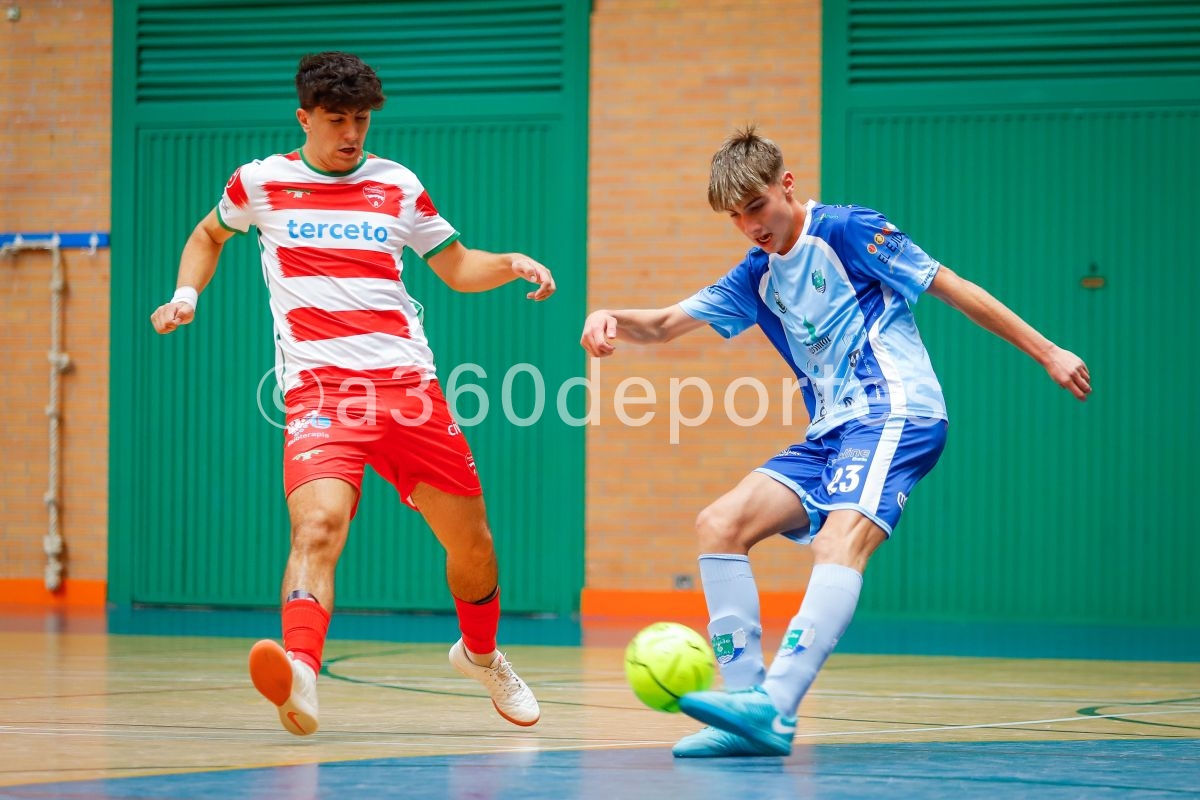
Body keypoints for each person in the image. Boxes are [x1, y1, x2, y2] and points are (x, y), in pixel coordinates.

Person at [580, 126, 1090, 758]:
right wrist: (609, 316)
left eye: (757, 207)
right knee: (719, 524)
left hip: (895, 410)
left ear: (787, 186)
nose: (750, 226)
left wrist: (1048, 351)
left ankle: (775, 706)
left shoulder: (848, 230)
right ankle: (744, 713)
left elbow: (952, 286)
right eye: (735, 217)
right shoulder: (756, 276)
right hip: (829, 433)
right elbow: (662, 326)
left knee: (837, 541)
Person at [150, 51, 555, 736]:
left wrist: (511, 262)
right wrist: (186, 294)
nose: (351, 133)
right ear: (304, 118)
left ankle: (481, 655)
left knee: (473, 546)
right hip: (319, 393)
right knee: (316, 528)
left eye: (361, 119)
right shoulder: (261, 182)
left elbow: (457, 266)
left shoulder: (397, 184)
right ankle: (301, 674)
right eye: (336, 119)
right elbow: (206, 234)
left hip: (408, 390)